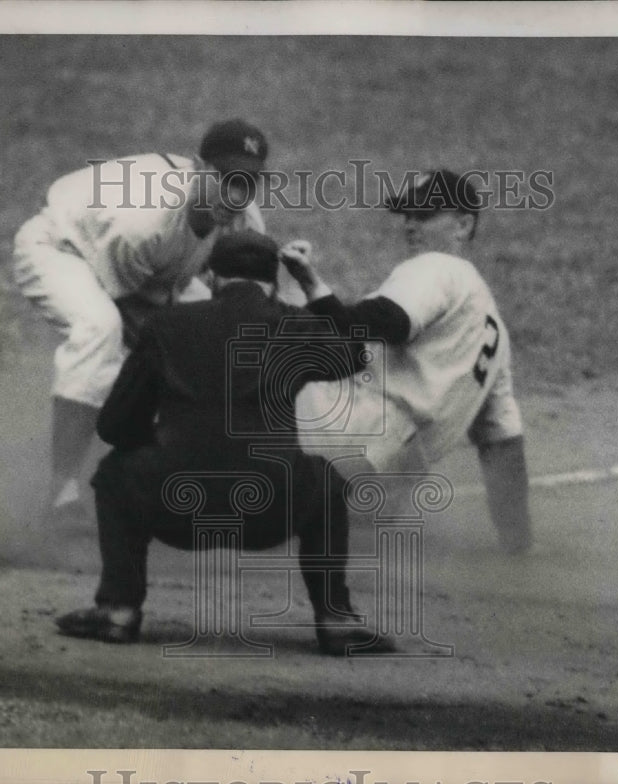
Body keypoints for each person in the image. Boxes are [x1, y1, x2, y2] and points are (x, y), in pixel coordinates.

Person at [55, 231, 388, 655]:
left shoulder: (166, 325)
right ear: (273, 282)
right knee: (324, 480)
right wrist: (311, 283)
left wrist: (159, 445)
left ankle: (118, 608)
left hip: (177, 507)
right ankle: (335, 618)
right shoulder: (295, 323)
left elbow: (114, 426)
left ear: (211, 277)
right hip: (268, 510)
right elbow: (355, 354)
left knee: (116, 473)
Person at [13, 119, 270, 523]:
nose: (234, 193)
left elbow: (245, 303)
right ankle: (60, 491)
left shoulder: (244, 221)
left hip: (154, 275)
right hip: (63, 250)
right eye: (224, 177)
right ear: (198, 167)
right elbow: (133, 314)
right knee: (101, 330)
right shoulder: (143, 219)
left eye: (247, 182)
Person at [294, 168, 533, 554]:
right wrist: (518, 541)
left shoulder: (440, 268)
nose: (410, 225)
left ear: (463, 225)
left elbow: (387, 321)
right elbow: (503, 444)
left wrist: (313, 287)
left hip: (337, 438)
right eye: (407, 215)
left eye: (425, 215)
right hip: (382, 487)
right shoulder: (496, 336)